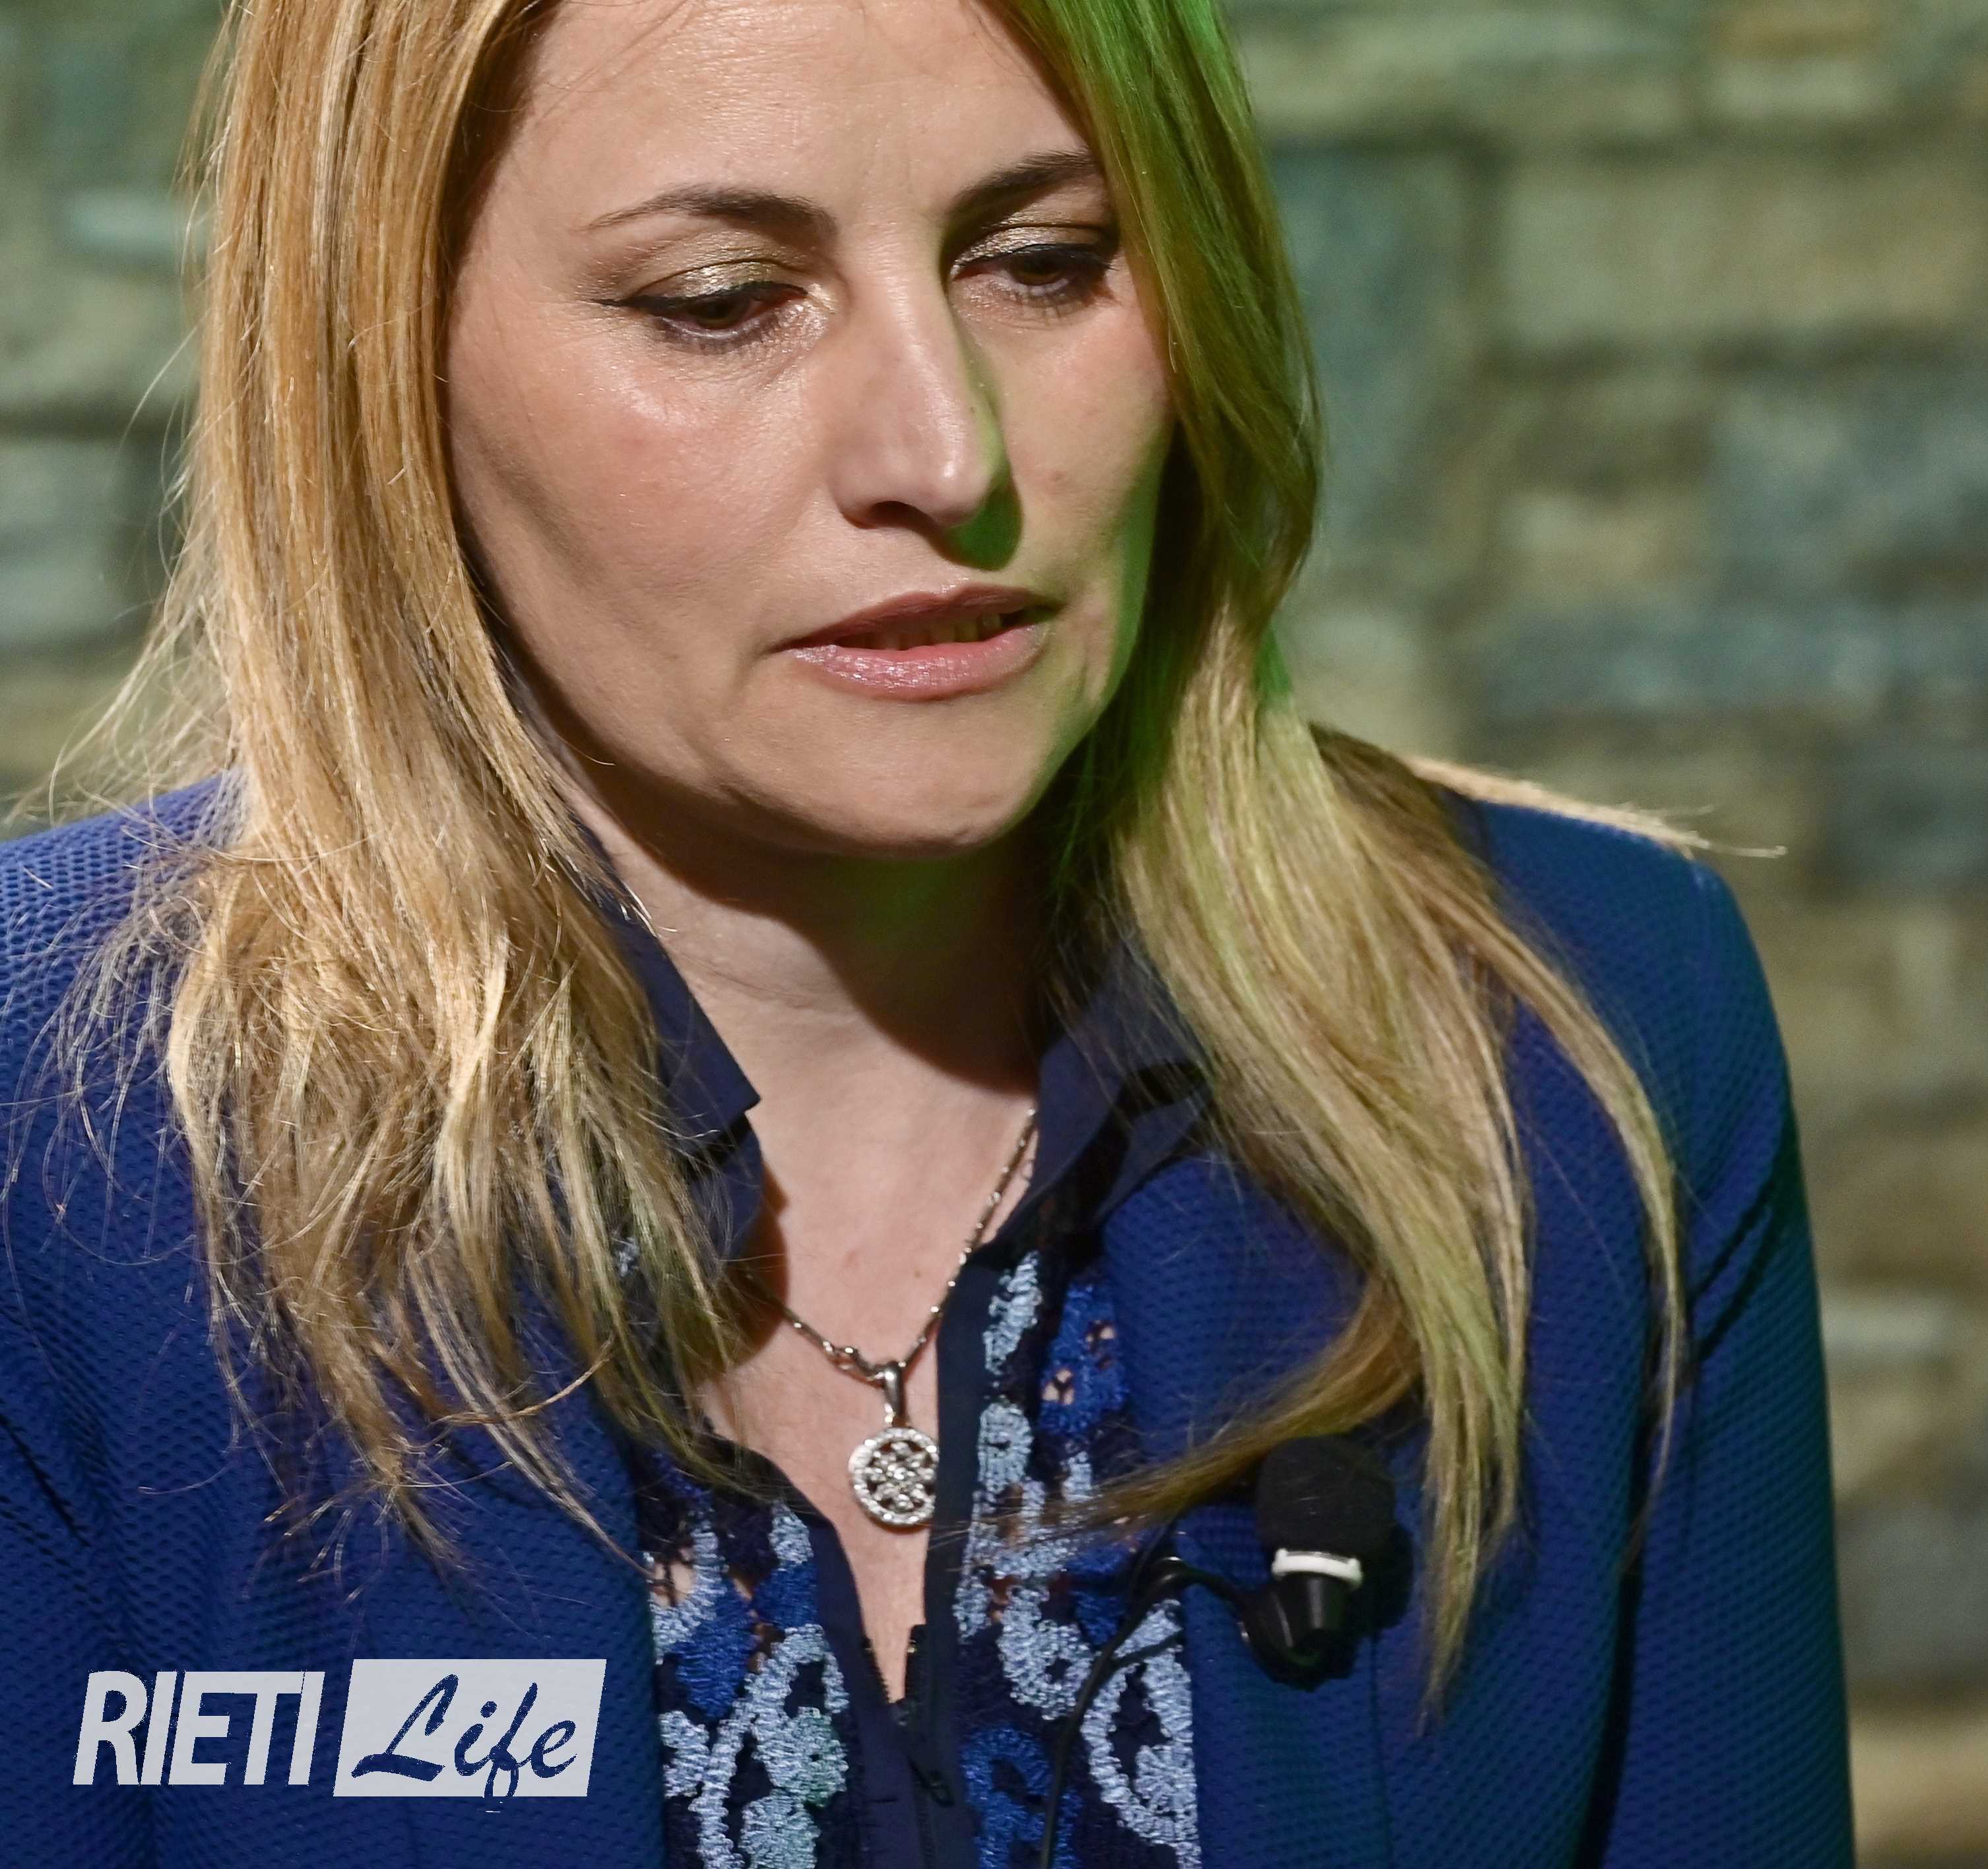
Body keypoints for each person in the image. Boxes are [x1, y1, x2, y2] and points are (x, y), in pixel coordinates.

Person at [0, 0, 1850, 1862]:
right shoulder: (47, 1122)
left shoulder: (1586, 1018)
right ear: (377, 358)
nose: (945, 451)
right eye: (725, 300)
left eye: (1046, 262)